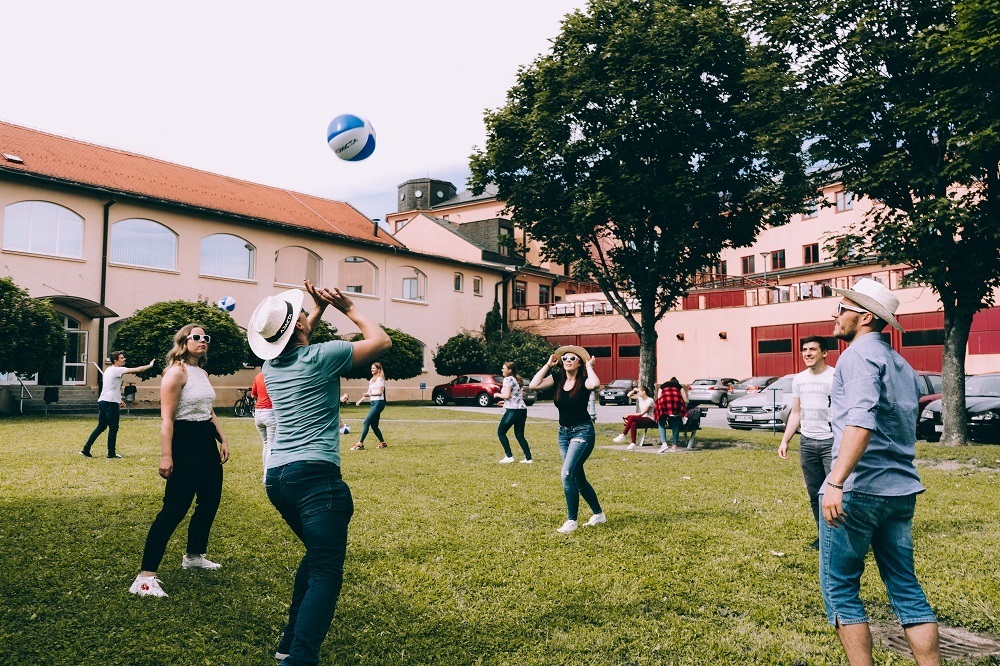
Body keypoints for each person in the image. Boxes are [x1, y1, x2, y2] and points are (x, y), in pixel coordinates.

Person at [248, 281, 390, 666]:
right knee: (326, 571)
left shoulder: (270, 367)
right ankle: (299, 659)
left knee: (315, 558)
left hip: (278, 478)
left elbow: (298, 336)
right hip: (316, 479)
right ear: (298, 329)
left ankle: (289, 644)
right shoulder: (323, 356)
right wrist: (348, 307)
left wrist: (316, 309)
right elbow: (381, 342)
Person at [821, 278, 941, 665]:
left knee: (841, 590)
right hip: (900, 490)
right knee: (906, 588)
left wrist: (836, 481)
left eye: (843, 308)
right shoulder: (902, 364)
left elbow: (861, 422)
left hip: (858, 490)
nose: (835, 315)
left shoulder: (856, 357)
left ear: (866, 317)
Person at [129, 325, 229, 598]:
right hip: (184, 440)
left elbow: (208, 409)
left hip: (205, 439)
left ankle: (194, 556)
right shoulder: (176, 372)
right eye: (196, 337)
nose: (202, 341)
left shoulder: (202, 373)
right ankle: (145, 577)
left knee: (210, 500)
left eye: (205, 337)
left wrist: (222, 437)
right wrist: (166, 455)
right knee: (174, 508)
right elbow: (167, 418)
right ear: (183, 342)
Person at [529, 345, 605, 534]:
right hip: (564, 434)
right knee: (577, 477)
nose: (568, 361)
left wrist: (590, 366)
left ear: (579, 362)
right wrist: (548, 365)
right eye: (565, 359)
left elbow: (595, 385)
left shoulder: (585, 380)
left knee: (567, 474)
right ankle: (599, 514)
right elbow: (533, 385)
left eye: (572, 358)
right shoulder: (557, 379)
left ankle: (572, 520)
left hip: (583, 432)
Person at [778, 336, 835, 550]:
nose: (807, 353)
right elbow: (796, 412)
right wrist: (785, 440)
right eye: (804, 350)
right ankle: (824, 536)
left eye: (813, 349)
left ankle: (842, 538)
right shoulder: (799, 380)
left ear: (824, 353)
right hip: (807, 443)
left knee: (836, 492)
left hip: (831, 442)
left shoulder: (835, 376)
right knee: (814, 493)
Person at [80, 352, 155, 458]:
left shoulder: (109, 370)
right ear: (116, 361)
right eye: (122, 358)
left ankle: (86, 449)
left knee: (101, 426)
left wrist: (119, 399)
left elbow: (112, 387)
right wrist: (150, 365)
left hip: (103, 400)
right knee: (113, 427)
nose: (124, 359)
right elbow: (138, 370)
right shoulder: (117, 370)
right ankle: (111, 454)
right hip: (110, 402)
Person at [496, 361, 533, 464]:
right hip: (522, 410)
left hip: (513, 411)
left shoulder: (507, 379)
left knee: (501, 432)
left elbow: (507, 395)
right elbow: (514, 396)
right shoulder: (517, 379)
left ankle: (509, 456)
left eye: (504, 368)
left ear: (509, 370)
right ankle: (528, 458)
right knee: (519, 435)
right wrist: (504, 402)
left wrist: (497, 395)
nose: (502, 370)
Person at [352, 362, 387, 450]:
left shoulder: (380, 379)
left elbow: (379, 392)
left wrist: (369, 395)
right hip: (373, 403)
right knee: (374, 426)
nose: (371, 369)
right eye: (371, 368)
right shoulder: (371, 380)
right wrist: (360, 400)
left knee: (366, 422)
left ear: (378, 369)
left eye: (374, 368)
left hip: (379, 403)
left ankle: (360, 444)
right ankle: (383, 443)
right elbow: (368, 393)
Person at [613, 385, 656, 449]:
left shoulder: (650, 400)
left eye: (639, 391)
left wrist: (630, 415)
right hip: (643, 419)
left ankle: (623, 435)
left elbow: (642, 413)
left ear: (644, 392)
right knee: (633, 423)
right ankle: (633, 443)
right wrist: (634, 390)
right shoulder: (640, 398)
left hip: (650, 420)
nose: (637, 393)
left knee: (632, 418)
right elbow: (628, 395)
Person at [252, 371, 276, 481]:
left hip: (258, 412)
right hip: (270, 412)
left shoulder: (258, 375)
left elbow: (253, 394)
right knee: (271, 445)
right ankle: (267, 477)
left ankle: (265, 474)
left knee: (266, 444)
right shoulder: (275, 375)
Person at [654, 378, 688, 453]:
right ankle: (674, 446)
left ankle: (664, 443)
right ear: (677, 382)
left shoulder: (662, 386)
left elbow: (659, 398)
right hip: (676, 404)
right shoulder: (679, 386)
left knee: (661, 422)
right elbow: (685, 399)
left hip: (664, 403)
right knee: (675, 424)